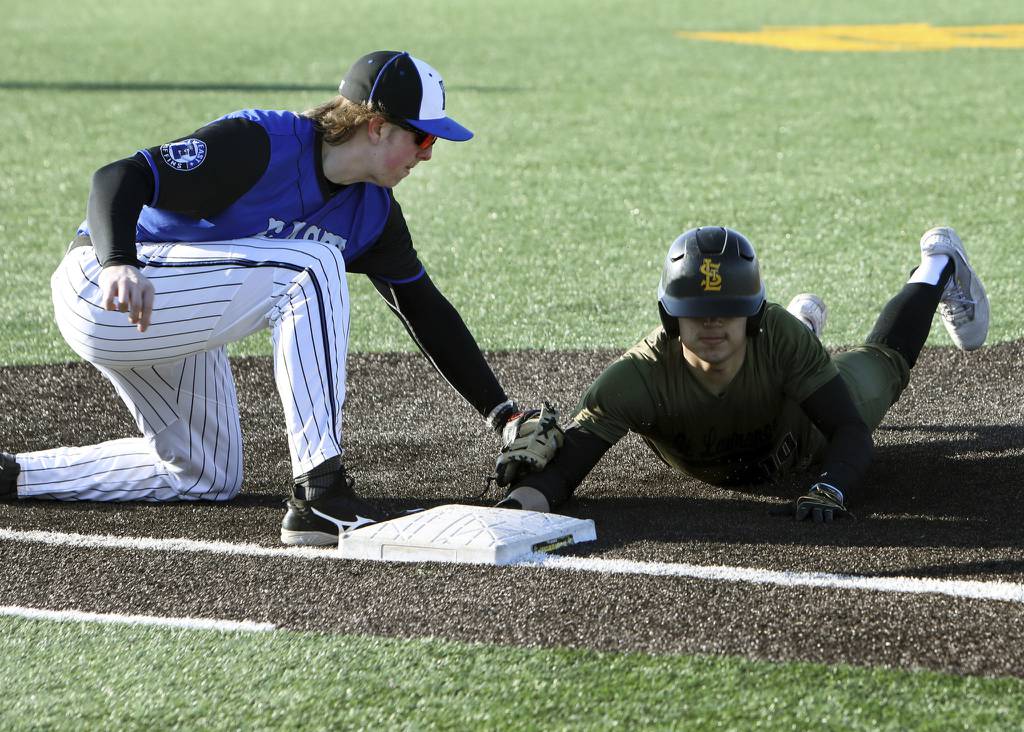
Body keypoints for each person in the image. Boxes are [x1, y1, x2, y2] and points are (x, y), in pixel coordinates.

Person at [0, 50, 542, 546]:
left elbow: (424, 309)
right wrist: (119, 260)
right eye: (423, 139)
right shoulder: (263, 143)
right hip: (105, 283)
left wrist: (504, 415)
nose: (428, 155)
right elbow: (118, 176)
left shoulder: (372, 212)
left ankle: (13, 474)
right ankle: (321, 494)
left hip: (178, 314)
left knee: (204, 473)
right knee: (310, 267)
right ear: (376, 127)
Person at [494, 225, 989, 522]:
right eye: (697, 312)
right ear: (670, 316)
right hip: (777, 365)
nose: (712, 324)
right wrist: (513, 510)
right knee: (788, 349)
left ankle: (938, 262)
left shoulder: (774, 338)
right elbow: (562, 474)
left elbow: (849, 431)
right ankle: (805, 330)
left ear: (752, 315)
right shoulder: (635, 378)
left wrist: (832, 485)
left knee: (887, 364)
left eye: (728, 311)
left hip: (803, 429)